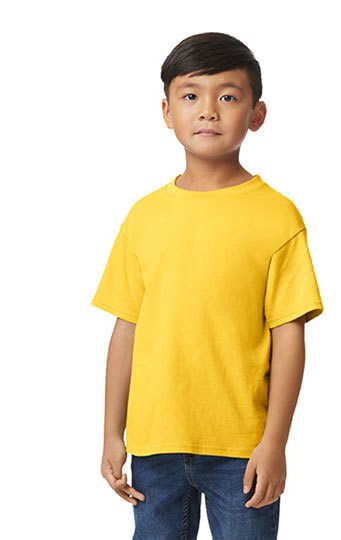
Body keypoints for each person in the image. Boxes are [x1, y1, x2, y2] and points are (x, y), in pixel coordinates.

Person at [90, 31, 324, 539]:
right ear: (167, 111)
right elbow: (126, 328)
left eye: (229, 96)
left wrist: (275, 442)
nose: (209, 111)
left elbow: (289, 334)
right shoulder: (144, 217)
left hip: (242, 448)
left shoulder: (277, 217)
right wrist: (111, 432)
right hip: (154, 443)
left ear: (257, 114)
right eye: (191, 95)